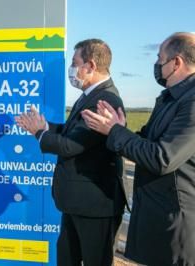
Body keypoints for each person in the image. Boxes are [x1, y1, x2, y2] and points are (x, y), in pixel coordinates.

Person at [81, 32, 195, 266]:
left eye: (159, 58)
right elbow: (148, 141)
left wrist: (114, 131)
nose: (156, 64)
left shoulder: (191, 103)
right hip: (158, 217)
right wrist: (120, 128)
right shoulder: (169, 99)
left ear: (176, 62)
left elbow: (162, 158)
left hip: (177, 224)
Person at [16, 39, 127, 266]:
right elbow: (73, 133)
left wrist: (39, 134)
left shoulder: (104, 100)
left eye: (75, 63)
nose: (72, 69)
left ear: (91, 66)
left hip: (95, 205)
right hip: (78, 202)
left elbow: (71, 146)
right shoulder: (91, 95)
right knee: (67, 259)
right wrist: (46, 127)